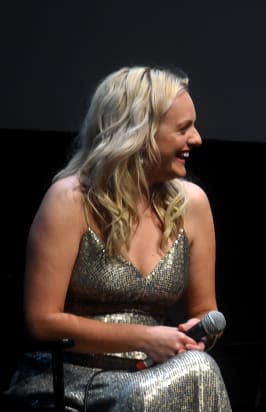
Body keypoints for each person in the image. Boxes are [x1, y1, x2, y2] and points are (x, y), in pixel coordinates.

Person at [4, 66, 232, 411]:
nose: (197, 138)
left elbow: (205, 311)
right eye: (183, 128)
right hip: (72, 379)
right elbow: (42, 321)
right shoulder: (70, 200)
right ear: (139, 132)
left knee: (198, 368)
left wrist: (199, 332)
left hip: (155, 372)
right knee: (159, 389)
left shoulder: (193, 204)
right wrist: (144, 338)